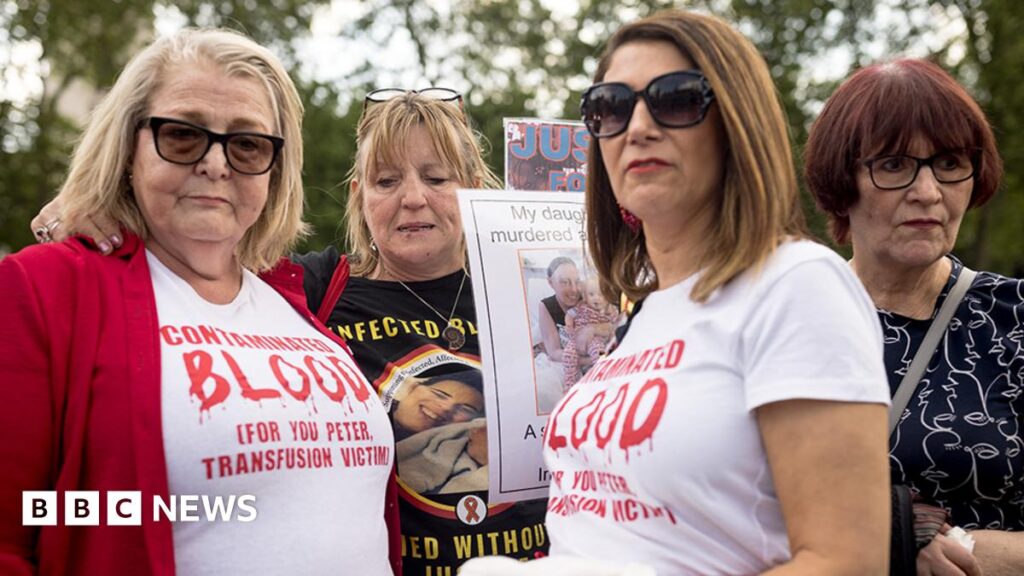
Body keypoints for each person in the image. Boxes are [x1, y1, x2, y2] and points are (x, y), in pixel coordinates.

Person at [30, 88, 551, 575]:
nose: (412, 198)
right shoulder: (307, 292)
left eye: (436, 178)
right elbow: (186, 247)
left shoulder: (533, 289)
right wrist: (100, 212)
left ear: (474, 191)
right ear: (360, 196)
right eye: (386, 181)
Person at [2, 28, 399, 575]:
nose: (216, 163)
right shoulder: (44, 289)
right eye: (183, 136)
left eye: (247, 144)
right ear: (128, 149)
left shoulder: (296, 300)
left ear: (274, 169)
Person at [542, 9, 893, 575]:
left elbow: (844, 563)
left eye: (675, 99)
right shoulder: (644, 314)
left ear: (736, 123)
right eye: (610, 106)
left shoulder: (795, 283)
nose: (637, 127)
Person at [804, 57, 1024, 576]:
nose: (928, 192)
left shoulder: (1013, 321)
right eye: (894, 164)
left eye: (949, 164)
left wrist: (948, 547)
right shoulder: (783, 319)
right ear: (842, 178)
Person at [394, 371, 488, 495]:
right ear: (413, 388)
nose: (446, 408)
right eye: (439, 395)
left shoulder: (466, 457)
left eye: (466, 409)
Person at [562, 275, 619, 390]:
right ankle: (569, 384)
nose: (596, 298)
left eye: (600, 295)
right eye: (591, 295)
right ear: (585, 296)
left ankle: (601, 379)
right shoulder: (580, 307)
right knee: (568, 354)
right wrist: (569, 325)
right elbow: (570, 314)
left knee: (599, 354)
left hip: (596, 339)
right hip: (577, 338)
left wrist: (613, 315)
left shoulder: (608, 309)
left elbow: (615, 323)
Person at [537, 256, 582, 364]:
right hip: (571, 360)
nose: (574, 289)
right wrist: (586, 360)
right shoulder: (546, 306)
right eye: (565, 282)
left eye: (577, 281)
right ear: (550, 282)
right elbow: (554, 352)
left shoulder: (588, 297)